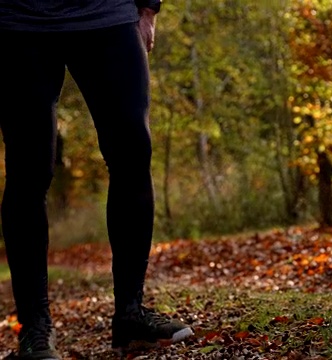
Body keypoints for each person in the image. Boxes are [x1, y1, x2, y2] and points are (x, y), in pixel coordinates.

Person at [0, 1, 194, 358]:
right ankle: (35, 331)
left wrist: (149, 6)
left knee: (133, 157)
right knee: (28, 173)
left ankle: (130, 316)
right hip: (18, 23)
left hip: (107, 14)